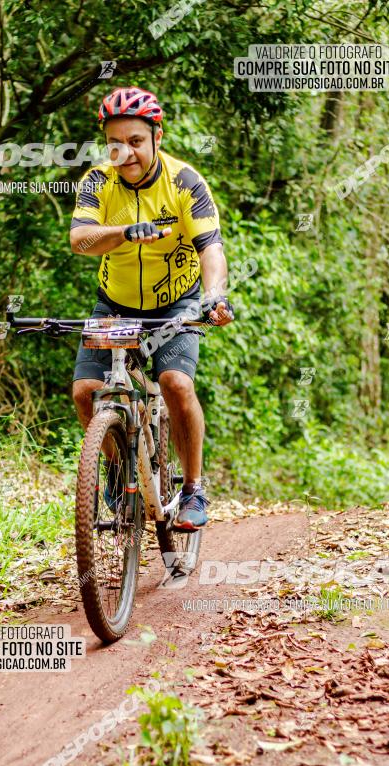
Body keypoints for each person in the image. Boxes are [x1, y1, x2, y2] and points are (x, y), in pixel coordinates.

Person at [70, 86, 233, 529]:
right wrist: (125, 232)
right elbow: (80, 240)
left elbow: (211, 249)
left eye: (136, 142)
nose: (126, 154)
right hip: (115, 303)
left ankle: (194, 487)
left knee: (176, 382)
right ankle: (117, 467)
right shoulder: (97, 182)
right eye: (116, 144)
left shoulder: (185, 182)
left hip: (175, 302)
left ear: (157, 137)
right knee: (85, 393)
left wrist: (214, 295)